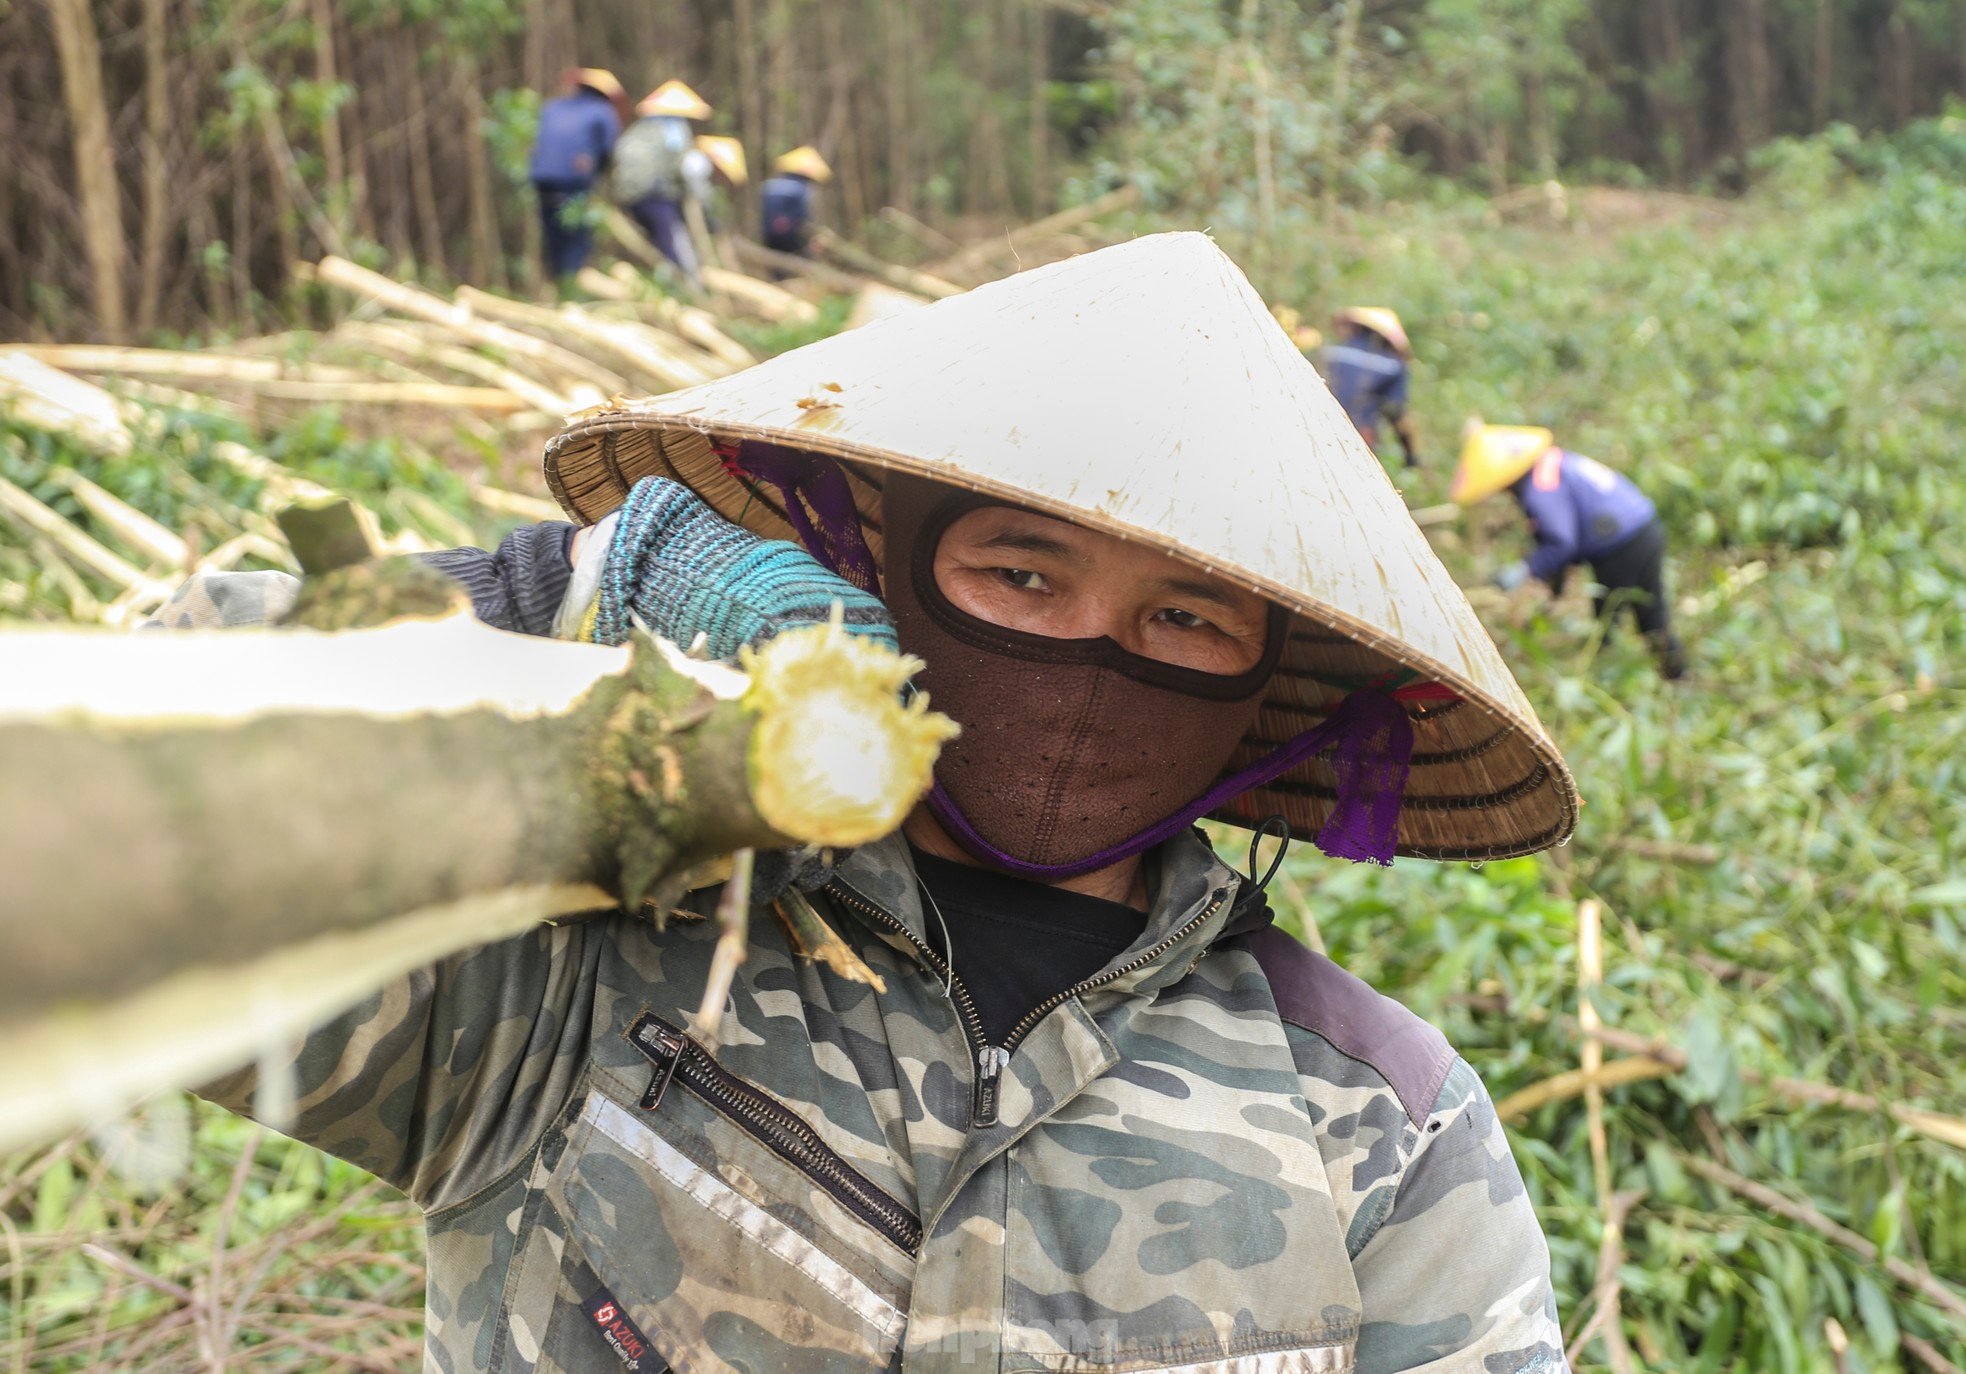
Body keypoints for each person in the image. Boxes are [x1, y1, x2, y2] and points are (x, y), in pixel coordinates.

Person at [192, 234, 1576, 1373]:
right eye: (1019, 578)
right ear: (886, 568)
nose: (1094, 662)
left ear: (1267, 688)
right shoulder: (575, 940)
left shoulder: (1377, 1125)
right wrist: (543, 594)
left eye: (1187, 619)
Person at [1453, 420, 1689, 679]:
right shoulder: (1549, 463)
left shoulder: (1539, 488)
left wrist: (1525, 569)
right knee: (1651, 614)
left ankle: (1604, 679)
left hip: (1622, 545)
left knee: (1608, 623)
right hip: (1644, 528)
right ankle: (1676, 675)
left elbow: (1561, 542)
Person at [528, 68, 626, 289]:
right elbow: (607, 149)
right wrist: (596, 171)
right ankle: (572, 285)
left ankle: (555, 282)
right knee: (576, 234)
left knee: (552, 231)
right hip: (574, 179)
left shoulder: (552, 107)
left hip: (542, 178)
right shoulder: (602, 111)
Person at [612, 80, 714, 286]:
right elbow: (684, 167)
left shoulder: (639, 129)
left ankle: (663, 284)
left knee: (656, 242)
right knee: (673, 244)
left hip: (630, 196)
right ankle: (684, 287)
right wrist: (701, 200)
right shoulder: (674, 129)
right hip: (655, 194)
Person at [1322, 306, 1420, 469]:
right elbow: (1397, 414)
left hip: (1316, 426)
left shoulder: (1331, 354)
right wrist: (1410, 454)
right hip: (1357, 440)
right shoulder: (1393, 367)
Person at [760, 145, 831, 259]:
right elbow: (803, 215)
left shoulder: (770, 185)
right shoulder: (802, 189)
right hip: (791, 235)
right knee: (797, 258)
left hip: (769, 233)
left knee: (776, 262)